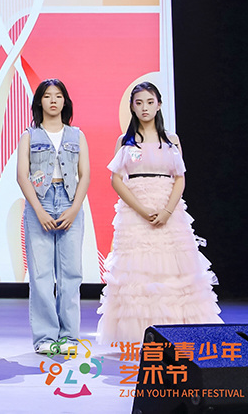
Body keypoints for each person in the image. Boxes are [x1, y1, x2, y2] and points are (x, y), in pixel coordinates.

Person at [97, 82, 221, 345]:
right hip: (135, 215)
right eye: (139, 102)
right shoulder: (126, 141)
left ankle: (178, 333)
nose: (145, 108)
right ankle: (141, 335)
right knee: (138, 274)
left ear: (159, 105)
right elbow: (116, 180)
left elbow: (180, 178)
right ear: (132, 107)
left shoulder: (171, 140)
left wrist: (167, 211)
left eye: (150, 102)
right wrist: (142, 210)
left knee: (174, 271)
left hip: (170, 213)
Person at [16, 79, 90, 354]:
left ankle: (69, 338)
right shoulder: (29, 135)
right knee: (41, 275)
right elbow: (22, 176)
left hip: (70, 202)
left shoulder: (77, 135)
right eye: (48, 96)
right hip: (41, 203)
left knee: (71, 274)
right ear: (39, 102)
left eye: (58, 96)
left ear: (65, 101)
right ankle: (46, 337)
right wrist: (39, 210)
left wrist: (74, 208)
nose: (53, 101)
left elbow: (85, 175)